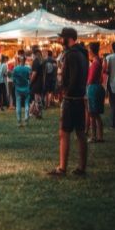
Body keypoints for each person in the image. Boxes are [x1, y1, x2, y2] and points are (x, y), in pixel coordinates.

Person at [48, 28, 89, 176]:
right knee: (80, 133)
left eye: (62, 37)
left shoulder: (71, 54)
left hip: (71, 99)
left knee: (64, 133)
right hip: (80, 97)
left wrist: (65, 92)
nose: (61, 40)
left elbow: (73, 77)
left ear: (69, 38)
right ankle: (81, 168)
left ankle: (62, 168)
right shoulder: (83, 54)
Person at [86, 42, 105, 143]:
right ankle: (100, 136)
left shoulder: (95, 63)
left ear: (91, 51)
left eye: (89, 50)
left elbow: (91, 79)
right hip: (98, 87)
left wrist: (87, 83)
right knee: (96, 114)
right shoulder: (98, 61)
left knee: (92, 114)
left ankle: (94, 136)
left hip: (93, 88)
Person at [12, 54, 31, 126]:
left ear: (18, 61)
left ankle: (19, 120)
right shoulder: (28, 68)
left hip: (18, 88)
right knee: (27, 103)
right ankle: (26, 117)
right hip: (26, 87)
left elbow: (13, 79)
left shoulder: (15, 69)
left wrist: (15, 83)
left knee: (18, 104)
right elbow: (29, 77)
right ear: (25, 60)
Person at [30, 47, 44, 119]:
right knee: (38, 98)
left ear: (34, 54)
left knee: (37, 98)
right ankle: (34, 112)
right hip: (41, 81)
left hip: (36, 82)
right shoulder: (41, 61)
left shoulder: (35, 62)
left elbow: (34, 73)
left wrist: (31, 81)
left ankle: (38, 113)